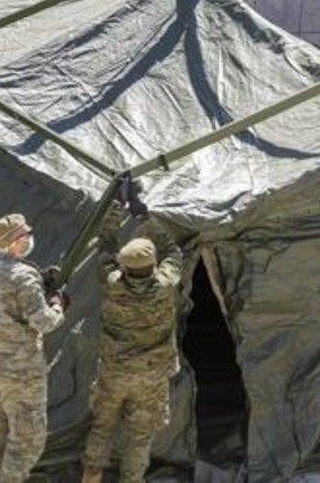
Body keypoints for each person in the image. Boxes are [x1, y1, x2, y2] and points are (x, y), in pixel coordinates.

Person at [82, 198, 183, 483]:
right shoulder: (164, 286)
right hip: (152, 375)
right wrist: (144, 217)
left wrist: (115, 208)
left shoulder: (113, 283)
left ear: (123, 266)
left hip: (115, 371)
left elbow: (104, 245)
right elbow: (173, 252)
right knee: (140, 436)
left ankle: (91, 476)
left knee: (102, 426)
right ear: (153, 265)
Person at [0, 213, 67, 482]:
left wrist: (37, 283)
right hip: (22, 369)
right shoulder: (24, 277)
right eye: (25, 235)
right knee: (27, 440)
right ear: (13, 242)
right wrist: (58, 304)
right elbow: (44, 322)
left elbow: (8, 293)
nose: (29, 239)